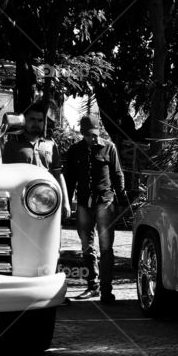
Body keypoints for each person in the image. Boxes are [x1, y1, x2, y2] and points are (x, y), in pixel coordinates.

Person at [64, 115, 127, 303]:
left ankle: (107, 290)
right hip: (83, 203)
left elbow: (117, 175)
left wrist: (122, 201)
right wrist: (66, 202)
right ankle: (93, 286)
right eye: (88, 135)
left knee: (106, 247)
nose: (92, 138)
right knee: (86, 246)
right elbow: (69, 179)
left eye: (94, 134)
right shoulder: (75, 150)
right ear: (83, 133)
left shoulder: (109, 147)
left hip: (105, 202)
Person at [1, 102, 72, 219]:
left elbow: (58, 175)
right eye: (32, 119)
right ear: (24, 120)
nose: (36, 123)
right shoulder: (12, 145)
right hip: (20, 202)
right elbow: (5, 176)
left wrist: (66, 202)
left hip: (47, 202)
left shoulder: (51, 145)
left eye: (40, 120)